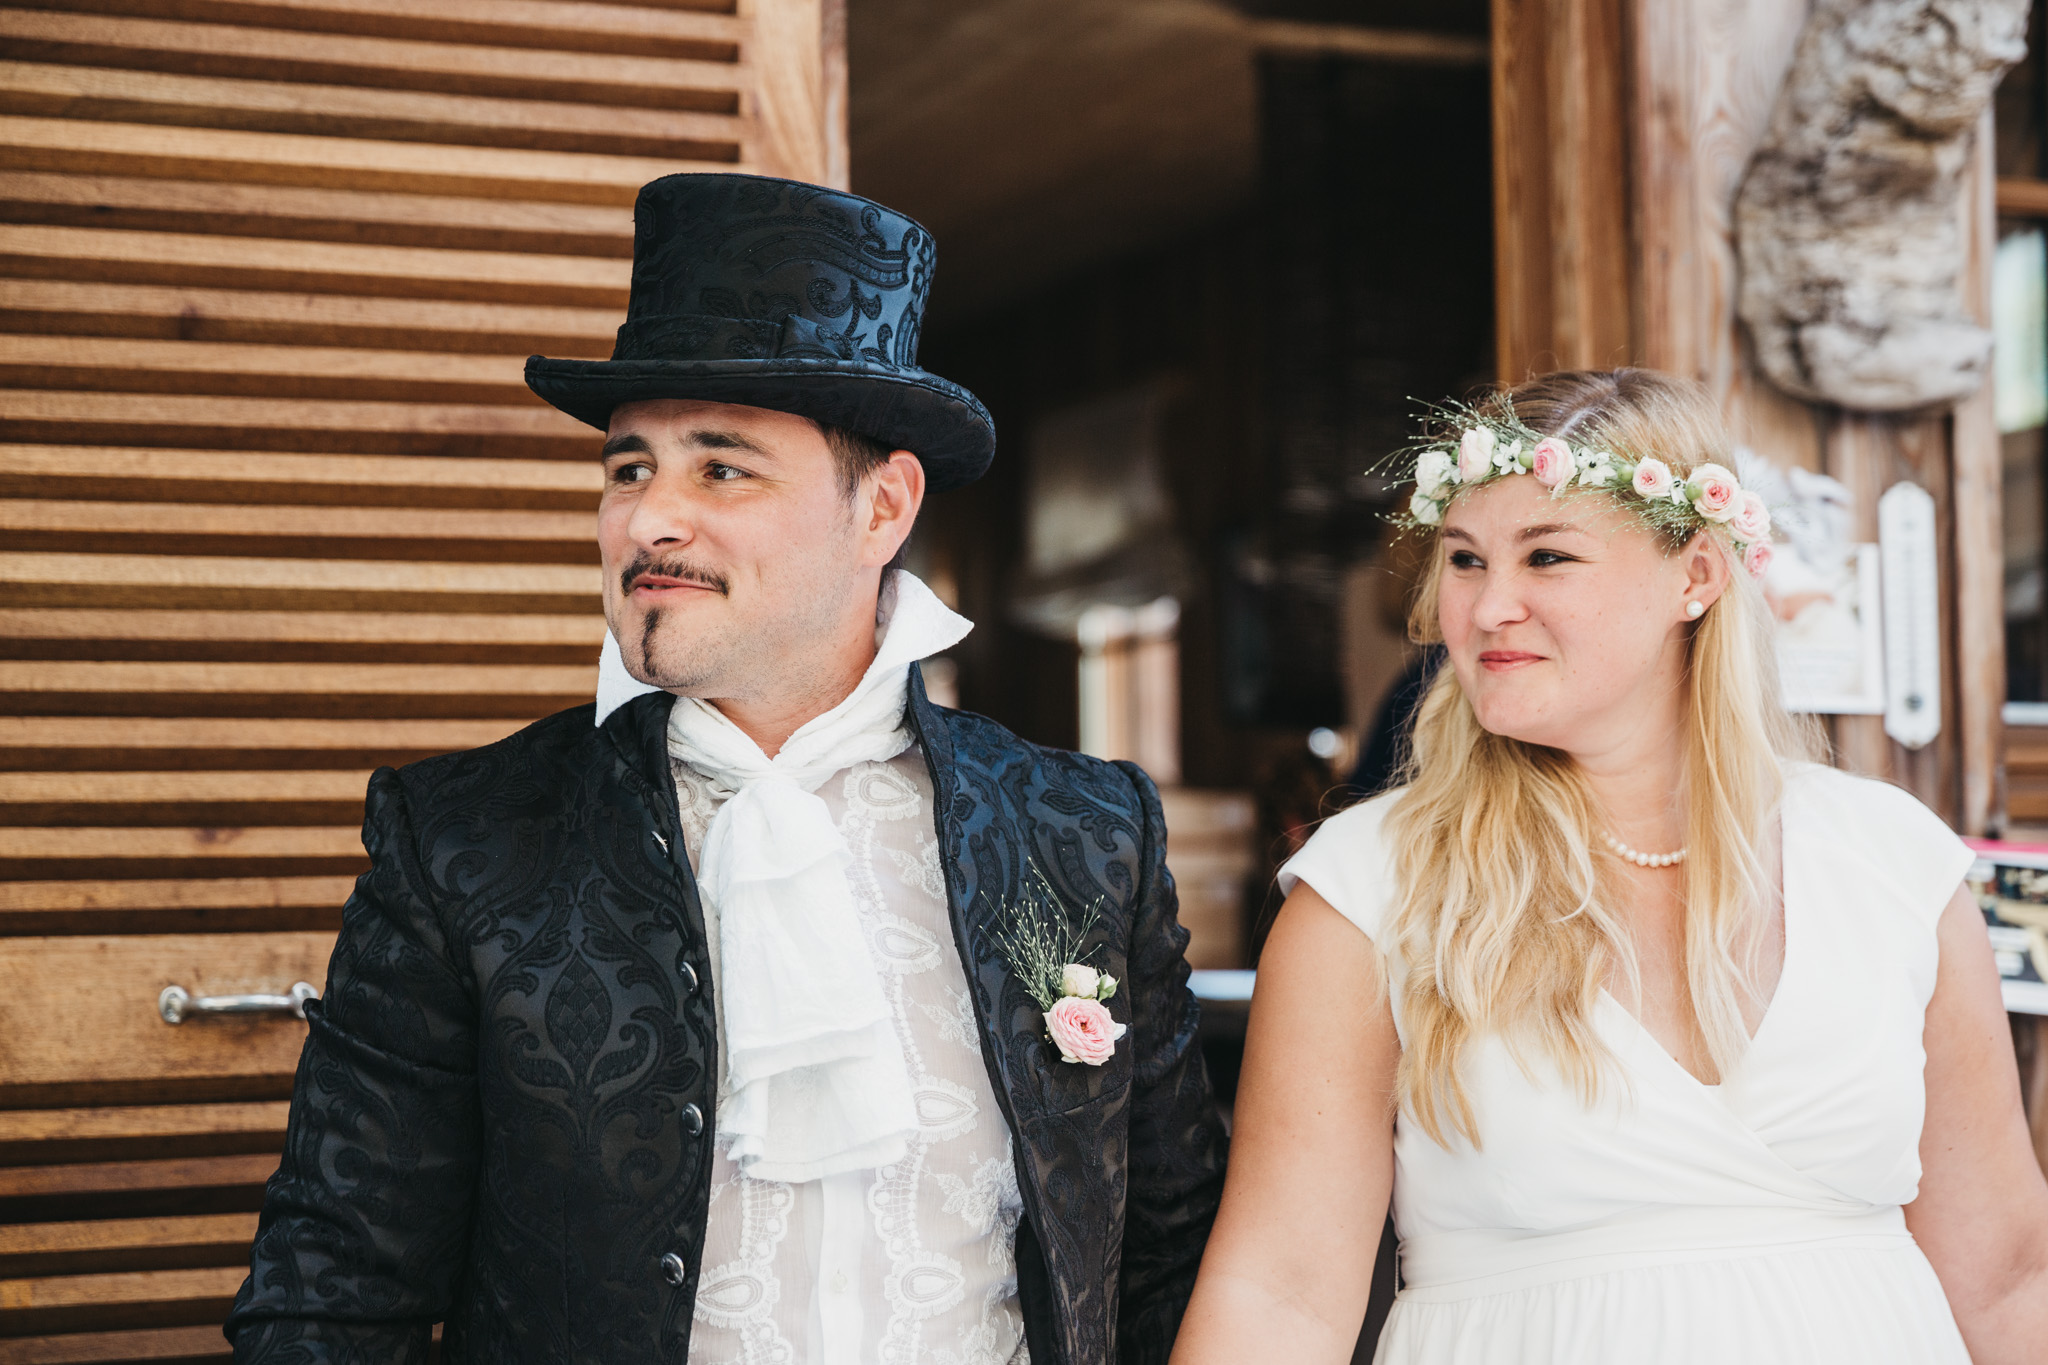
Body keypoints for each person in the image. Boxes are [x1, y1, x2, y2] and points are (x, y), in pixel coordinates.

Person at [225, 173, 1227, 1365]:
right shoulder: (460, 837)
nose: (650, 520)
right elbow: (331, 1293)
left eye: (722, 468)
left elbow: (1172, 1252)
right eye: (628, 468)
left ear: (884, 507)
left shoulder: (1082, 830)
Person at [1171, 369, 2048, 1364]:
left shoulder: (1890, 862)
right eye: (1463, 560)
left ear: (1696, 577)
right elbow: (1279, 1292)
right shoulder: (1369, 890)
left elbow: (2006, 1274)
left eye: (1545, 556)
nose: (1489, 605)